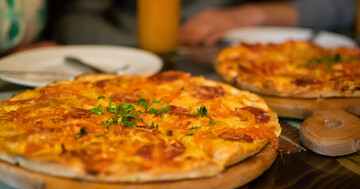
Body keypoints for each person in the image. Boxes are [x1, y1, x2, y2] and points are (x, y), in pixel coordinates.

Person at [52, 0, 357, 47]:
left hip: (237, 56)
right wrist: (142, 49)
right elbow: (74, 18)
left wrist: (253, 14)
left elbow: (343, 7)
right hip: (125, 57)